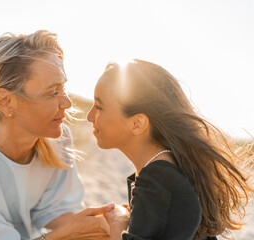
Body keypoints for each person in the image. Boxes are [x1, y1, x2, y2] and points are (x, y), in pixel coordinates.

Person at [0, 30, 114, 240]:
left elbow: (56, 210)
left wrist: (100, 221)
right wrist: (60, 236)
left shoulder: (59, 138)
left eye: (63, 88)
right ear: (6, 101)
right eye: (52, 92)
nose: (66, 103)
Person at [87, 59, 254, 240]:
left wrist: (118, 220)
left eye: (99, 107)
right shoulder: (171, 172)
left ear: (137, 123)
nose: (90, 116)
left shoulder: (158, 180)